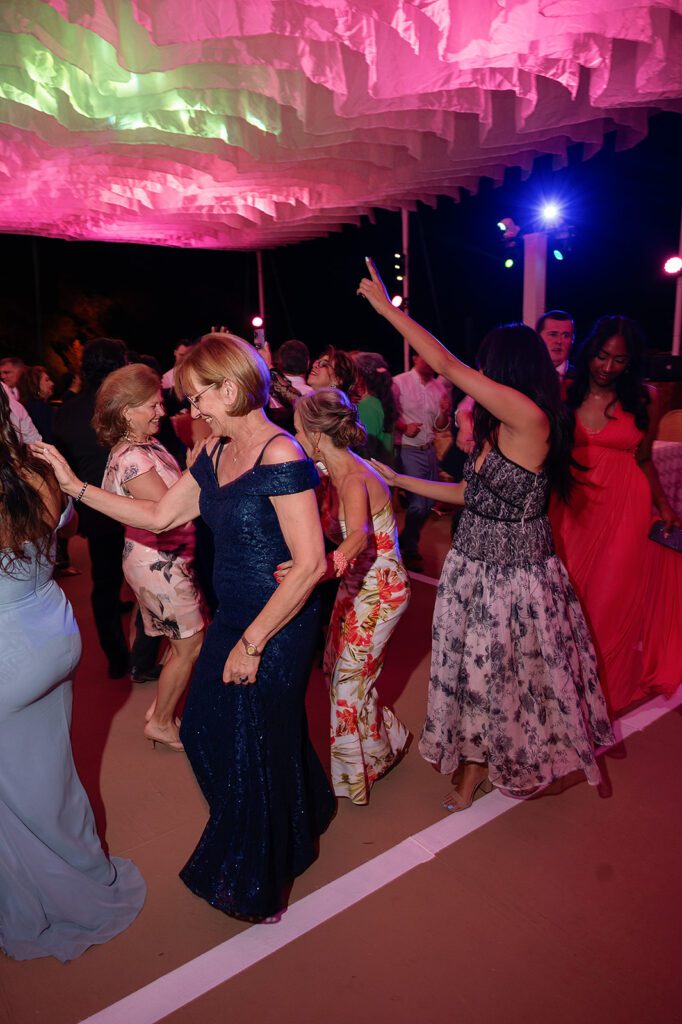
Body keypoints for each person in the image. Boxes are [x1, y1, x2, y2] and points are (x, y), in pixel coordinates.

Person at [35, 332, 335, 921]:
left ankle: (257, 870)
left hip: (277, 623)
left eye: (198, 398)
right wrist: (75, 487)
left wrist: (254, 643)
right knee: (201, 726)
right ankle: (300, 815)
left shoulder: (281, 454)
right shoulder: (215, 451)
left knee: (252, 736)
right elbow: (158, 513)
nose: (189, 411)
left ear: (231, 388)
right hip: (234, 614)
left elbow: (310, 565)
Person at [359, 259, 614, 809]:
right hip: (471, 565)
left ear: (505, 367)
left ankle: (480, 771)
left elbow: (445, 364)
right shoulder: (502, 425)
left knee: (496, 681)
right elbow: (474, 495)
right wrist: (396, 477)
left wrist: (386, 309)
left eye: (485, 366)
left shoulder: (530, 417)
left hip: (511, 579)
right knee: (467, 675)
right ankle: (474, 765)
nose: (479, 373)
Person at [0, 387, 145, 961]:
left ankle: (39, 899)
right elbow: (68, 524)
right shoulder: (36, 468)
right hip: (53, 636)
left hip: (7, 653)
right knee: (49, 775)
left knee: (11, 796)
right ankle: (82, 866)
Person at [281, 388, 410, 805]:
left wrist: (314, 571)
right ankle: (386, 742)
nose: (294, 436)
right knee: (335, 669)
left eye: (298, 430)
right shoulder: (328, 473)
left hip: (381, 589)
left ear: (317, 435)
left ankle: (355, 779)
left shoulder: (354, 479)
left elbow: (356, 539)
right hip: (356, 585)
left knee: (346, 687)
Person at [550, 315, 682, 713]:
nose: (608, 367)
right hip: (572, 506)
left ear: (632, 362)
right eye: (602, 356)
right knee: (565, 596)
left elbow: (644, 460)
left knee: (610, 602)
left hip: (626, 508)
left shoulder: (646, 398)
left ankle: (596, 701)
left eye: (619, 360)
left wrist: (664, 507)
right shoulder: (564, 390)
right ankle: (558, 688)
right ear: (589, 352)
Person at [95, 364, 205, 750]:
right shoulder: (133, 458)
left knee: (180, 643)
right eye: (152, 405)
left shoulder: (145, 444)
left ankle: (161, 708)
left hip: (164, 559)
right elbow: (168, 514)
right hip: (157, 562)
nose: (161, 411)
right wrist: (198, 474)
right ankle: (161, 721)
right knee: (190, 645)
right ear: (126, 410)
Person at [53, 338, 131, 676]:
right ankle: (150, 654)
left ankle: (117, 658)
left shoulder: (69, 411)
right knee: (158, 579)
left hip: (96, 507)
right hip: (140, 502)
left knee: (106, 582)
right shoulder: (131, 404)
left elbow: (62, 467)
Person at [392, 352, 451, 569]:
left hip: (429, 449)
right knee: (418, 503)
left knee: (428, 504)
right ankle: (411, 550)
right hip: (408, 449)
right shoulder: (399, 382)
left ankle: (402, 541)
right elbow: (390, 414)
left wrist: (444, 412)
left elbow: (440, 425)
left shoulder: (439, 388)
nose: (433, 361)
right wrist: (404, 427)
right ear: (416, 357)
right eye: (428, 357)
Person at [352, 351, 397, 464]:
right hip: (384, 467)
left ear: (360, 376)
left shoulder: (367, 405)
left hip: (374, 470)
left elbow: (365, 449)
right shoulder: (379, 401)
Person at [17, 365, 56, 443]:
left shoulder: (24, 405)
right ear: (35, 384)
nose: (52, 383)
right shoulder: (40, 408)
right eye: (47, 380)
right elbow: (49, 437)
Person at [536, 309, 575, 385]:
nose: (559, 341)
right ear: (538, 337)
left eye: (566, 335)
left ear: (573, 340)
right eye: (553, 334)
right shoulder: (526, 374)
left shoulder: (581, 378)